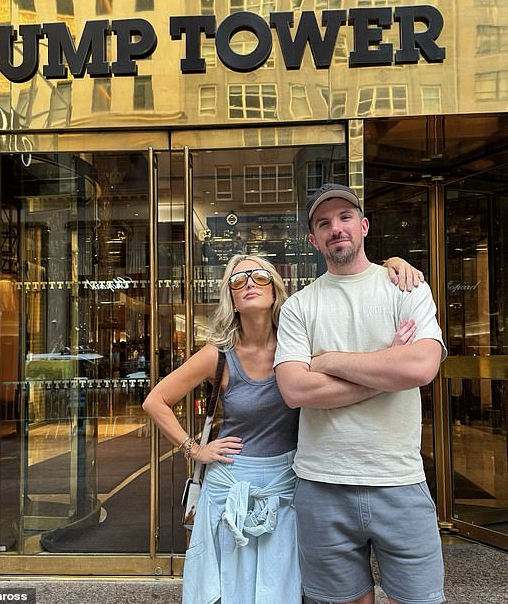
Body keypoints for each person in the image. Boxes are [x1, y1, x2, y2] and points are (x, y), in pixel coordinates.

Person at [143, 249, 422, 604]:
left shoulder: (299, 342)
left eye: (260, 277)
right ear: (230, 296)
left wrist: (390, 266)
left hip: (288, 483)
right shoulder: (219, 354)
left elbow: (351, 350)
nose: (249, 285)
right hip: (230, 485)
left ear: (275, 289)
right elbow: (155, 401)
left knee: (283, 585)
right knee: (232, 587)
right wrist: (194, 449)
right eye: (238, 280)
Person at [274, 183, 447, 604]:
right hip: (321, 483)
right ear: (313, 240)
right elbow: (295, 389)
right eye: (324, 223)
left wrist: (329, 361)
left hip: (399, 480)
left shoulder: (406, 287)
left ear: (364, 225)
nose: (337, 228)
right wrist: (386, 367)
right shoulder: (299, 306)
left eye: (345, 217)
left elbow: (421, 366)